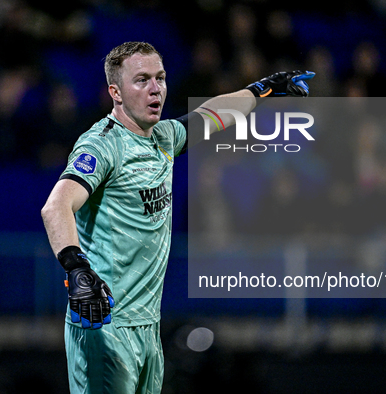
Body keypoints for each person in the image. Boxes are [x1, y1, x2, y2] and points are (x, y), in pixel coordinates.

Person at [41, 41, 314, 394]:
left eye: (160, 78)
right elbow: (56, 206)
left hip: (147, 326)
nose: (155, 89)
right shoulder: (102, 145)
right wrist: (76, 268)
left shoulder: (165, 138)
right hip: (104, 324)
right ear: (116, 92)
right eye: (141, 80)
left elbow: (215, 115)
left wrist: (259, 90)